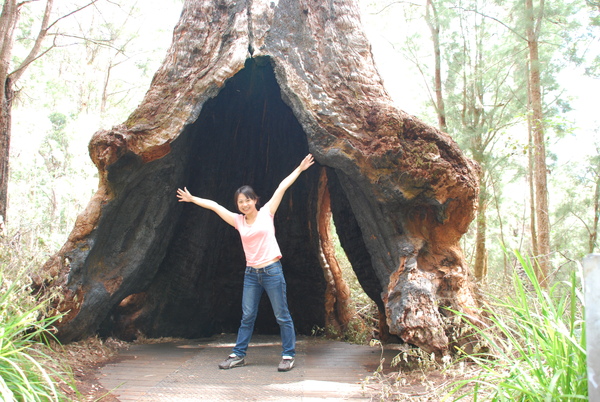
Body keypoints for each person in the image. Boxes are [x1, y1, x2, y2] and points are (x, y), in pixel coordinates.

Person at [176, 154, 315, 372]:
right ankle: (238, 354)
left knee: (282, 315)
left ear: (255, 200)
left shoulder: (267, 213)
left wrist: (299, 169)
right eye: (240, 202)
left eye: (247, 200)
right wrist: (193, 199)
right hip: (251, 274)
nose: (244, 204)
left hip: (272, 271)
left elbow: (281, 187)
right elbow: (214, 206)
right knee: (248, 315)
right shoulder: (237, 221)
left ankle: (288, 355)